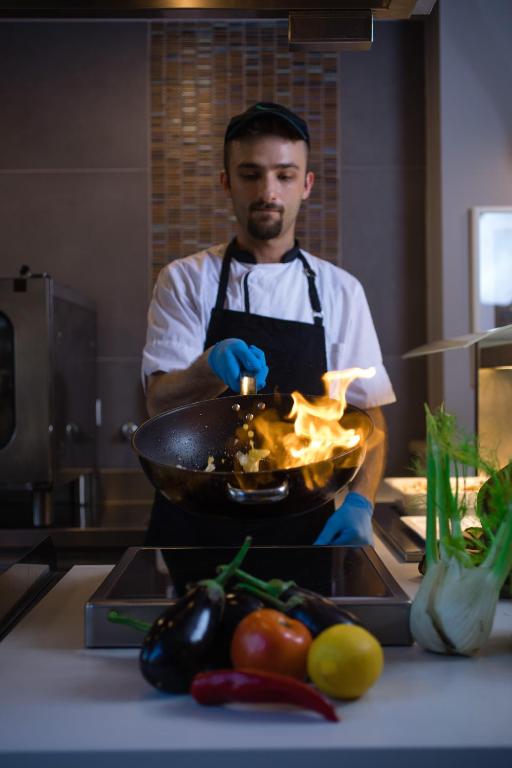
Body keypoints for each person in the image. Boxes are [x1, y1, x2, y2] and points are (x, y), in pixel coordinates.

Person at [142, 101, 396, 547]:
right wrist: (207, 368)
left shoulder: (341, 291)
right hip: (197, 524)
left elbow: (369, 419)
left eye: (284, 174)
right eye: (250, 174)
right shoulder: (184, 279)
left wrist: (362, 503)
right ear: (227, 183)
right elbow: (157, 404)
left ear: (306, 184)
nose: (268, 191)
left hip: (305, 527)